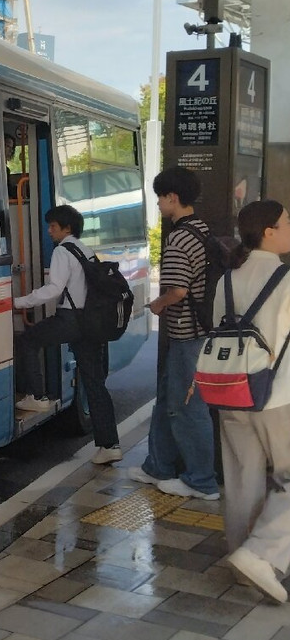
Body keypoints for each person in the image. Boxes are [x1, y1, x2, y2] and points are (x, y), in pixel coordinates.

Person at [128, 166, 220, 500]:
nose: (158, 205)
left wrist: (158, 304)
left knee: (188, 406)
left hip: (188, 334)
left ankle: (201, 481)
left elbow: (179, 290)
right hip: (192, 333)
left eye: (160, 198)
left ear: (173, 198)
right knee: (168, 400)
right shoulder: (201, 229)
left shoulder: (180, 237)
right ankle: (158, 466)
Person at [216, 200, 290, 603]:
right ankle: (261, 554)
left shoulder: (227, 279)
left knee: (242, 479)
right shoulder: (285, 277)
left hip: (230, 393)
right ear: (269, 232)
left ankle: (243, 564)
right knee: (288, 477)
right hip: (278, 396)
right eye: (287, 222)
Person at [12, 205, 121, 464]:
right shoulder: (85, 250)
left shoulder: (62, 250)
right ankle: (110, 445)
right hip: (91, 322)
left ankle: (37, 397)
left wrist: (18, 302)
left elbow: (54, 289)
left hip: (70, 320)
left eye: (53, 226)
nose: (49, 231)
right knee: (95, 383)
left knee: (27, 340)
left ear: (66, 228)